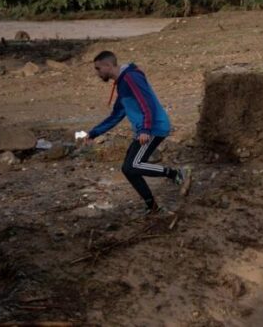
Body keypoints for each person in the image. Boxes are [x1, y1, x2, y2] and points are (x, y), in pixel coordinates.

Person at [79, 51, 191, 215]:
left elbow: (147, 102)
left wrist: (146, 128)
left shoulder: (131, 77)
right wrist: (93, 133)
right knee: (128, 169)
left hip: (153, 128)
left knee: (134, 165)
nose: (97, 73)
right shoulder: (122, 84)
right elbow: (116, 116)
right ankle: (152, 207)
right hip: (144, 130)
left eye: (98, 69)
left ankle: (177, 174)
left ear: (108, 66)